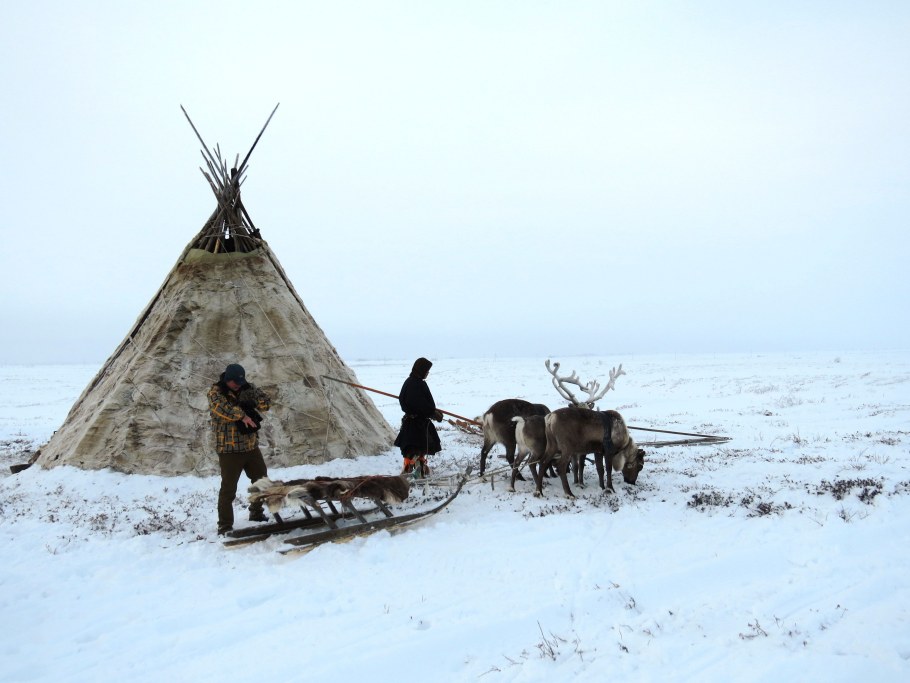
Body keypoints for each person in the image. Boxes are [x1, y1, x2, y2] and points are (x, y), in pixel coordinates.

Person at [207, 363, 272, 535]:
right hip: (229, 449)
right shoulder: (216, 392)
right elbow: (222, 409)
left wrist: (254, 400)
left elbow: (266, 404)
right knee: (228, 489)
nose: (238, 385)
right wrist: (242, 415)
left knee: (262, 480)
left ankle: (256, 512)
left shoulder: (247, 387)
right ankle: (225, 525)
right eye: (235, 382)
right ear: (227, 379)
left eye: (240, 382)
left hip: (250, 446)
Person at [394, 357, 443, 477]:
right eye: (426, 370)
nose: (427, 373)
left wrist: (432, 411)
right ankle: (417, 472)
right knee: (417, 448)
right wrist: (433, 413)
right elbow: (421, 405)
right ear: (421, 370)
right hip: (418, 425)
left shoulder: (409, 381)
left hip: (411, 423)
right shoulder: (417, 384)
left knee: (413, 448)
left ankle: (412, 469)